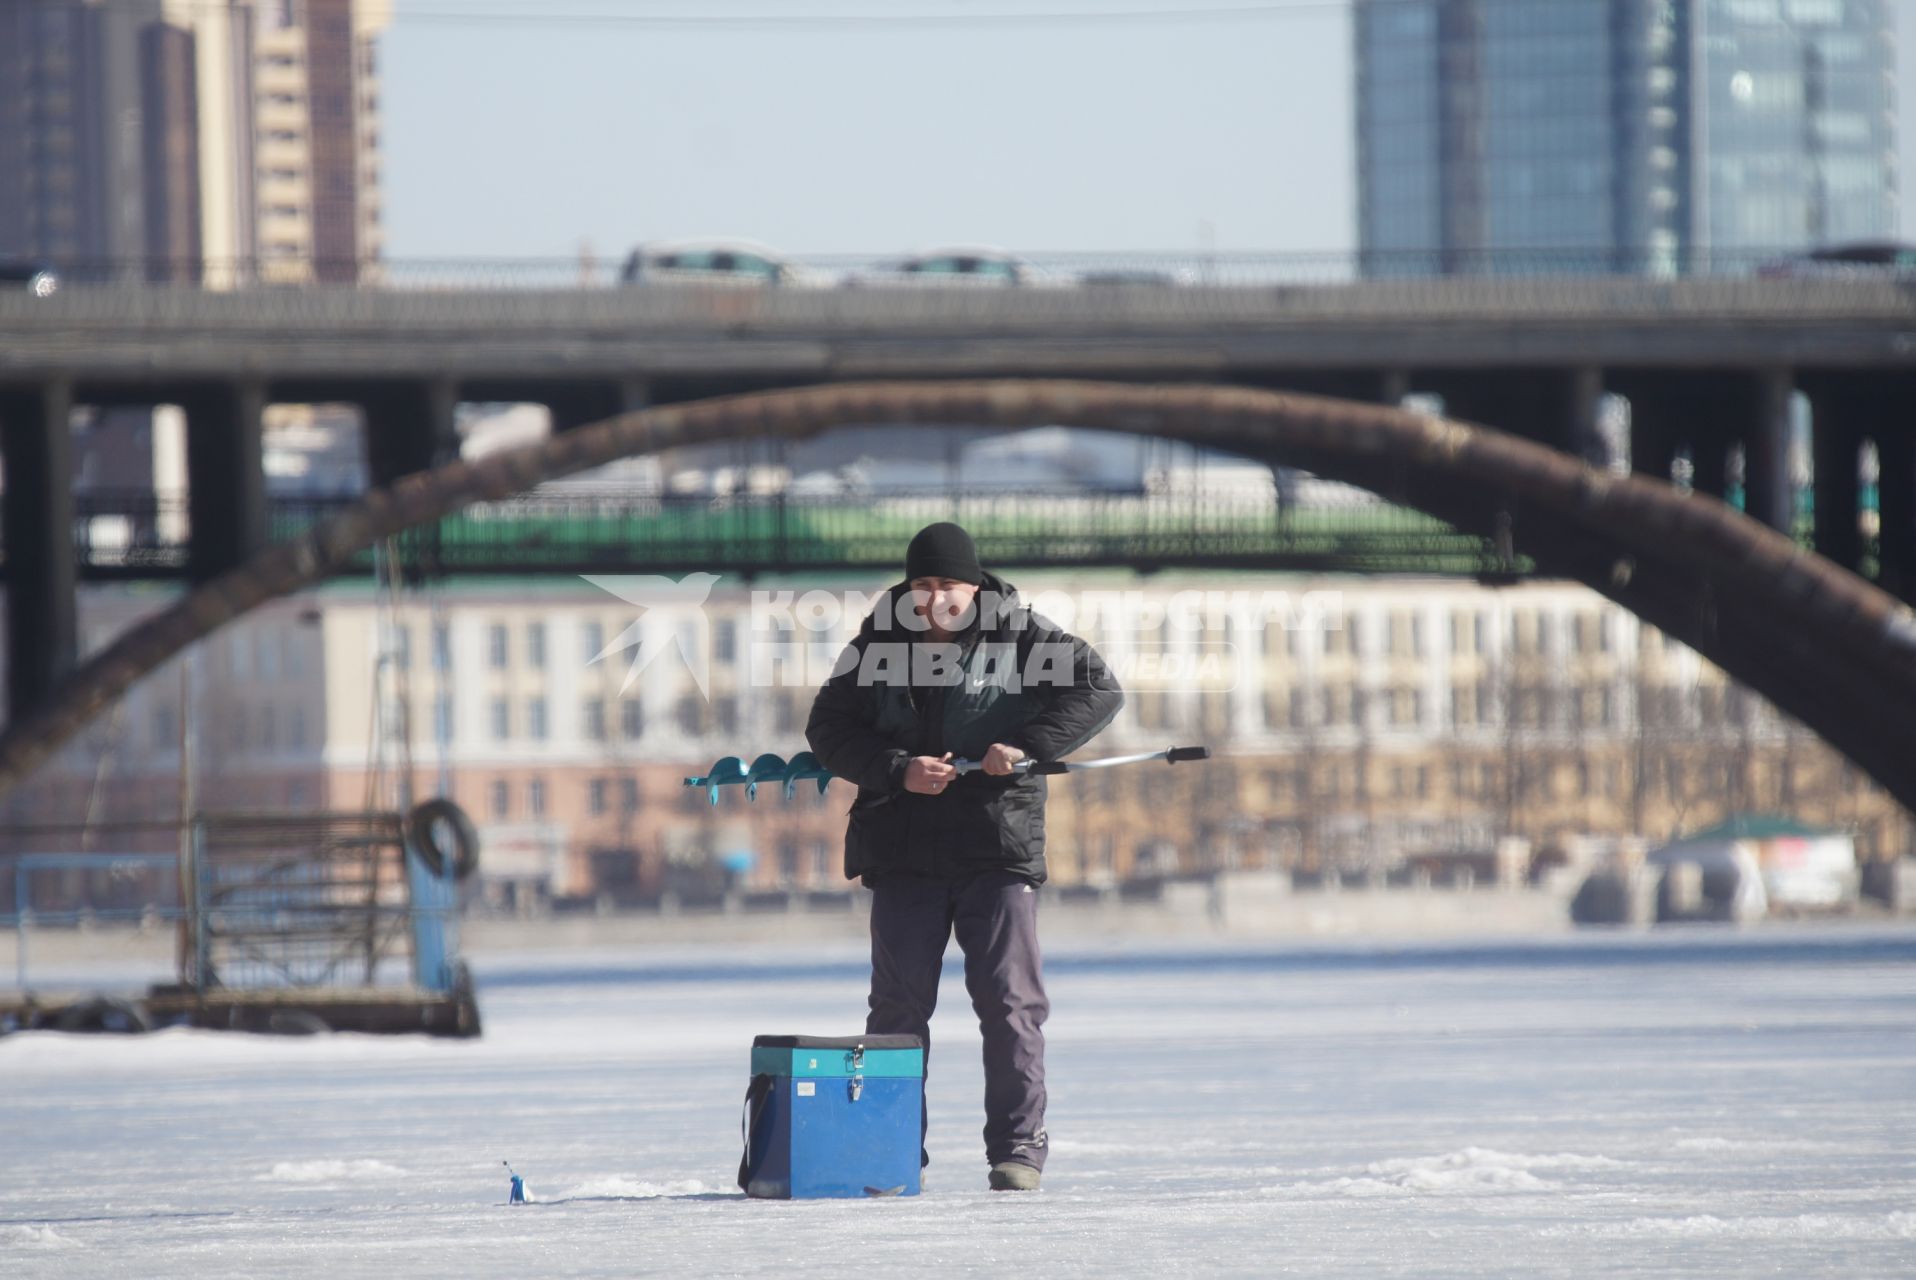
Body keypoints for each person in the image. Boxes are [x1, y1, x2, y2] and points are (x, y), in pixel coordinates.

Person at [805, 522, 1124, 1192]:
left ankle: (1017, 1150)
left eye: (947, 584)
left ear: (974, 587)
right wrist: (896, 768)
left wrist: (1027, 743)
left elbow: (1097, 688)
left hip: (995, 846)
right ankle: (890, 1154)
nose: (934, 598)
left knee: (1009, 1004)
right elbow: (829, 728)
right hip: (903, 851)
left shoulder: (1022, 633)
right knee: (896, 1011)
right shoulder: (877, 642)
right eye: (922, 585)